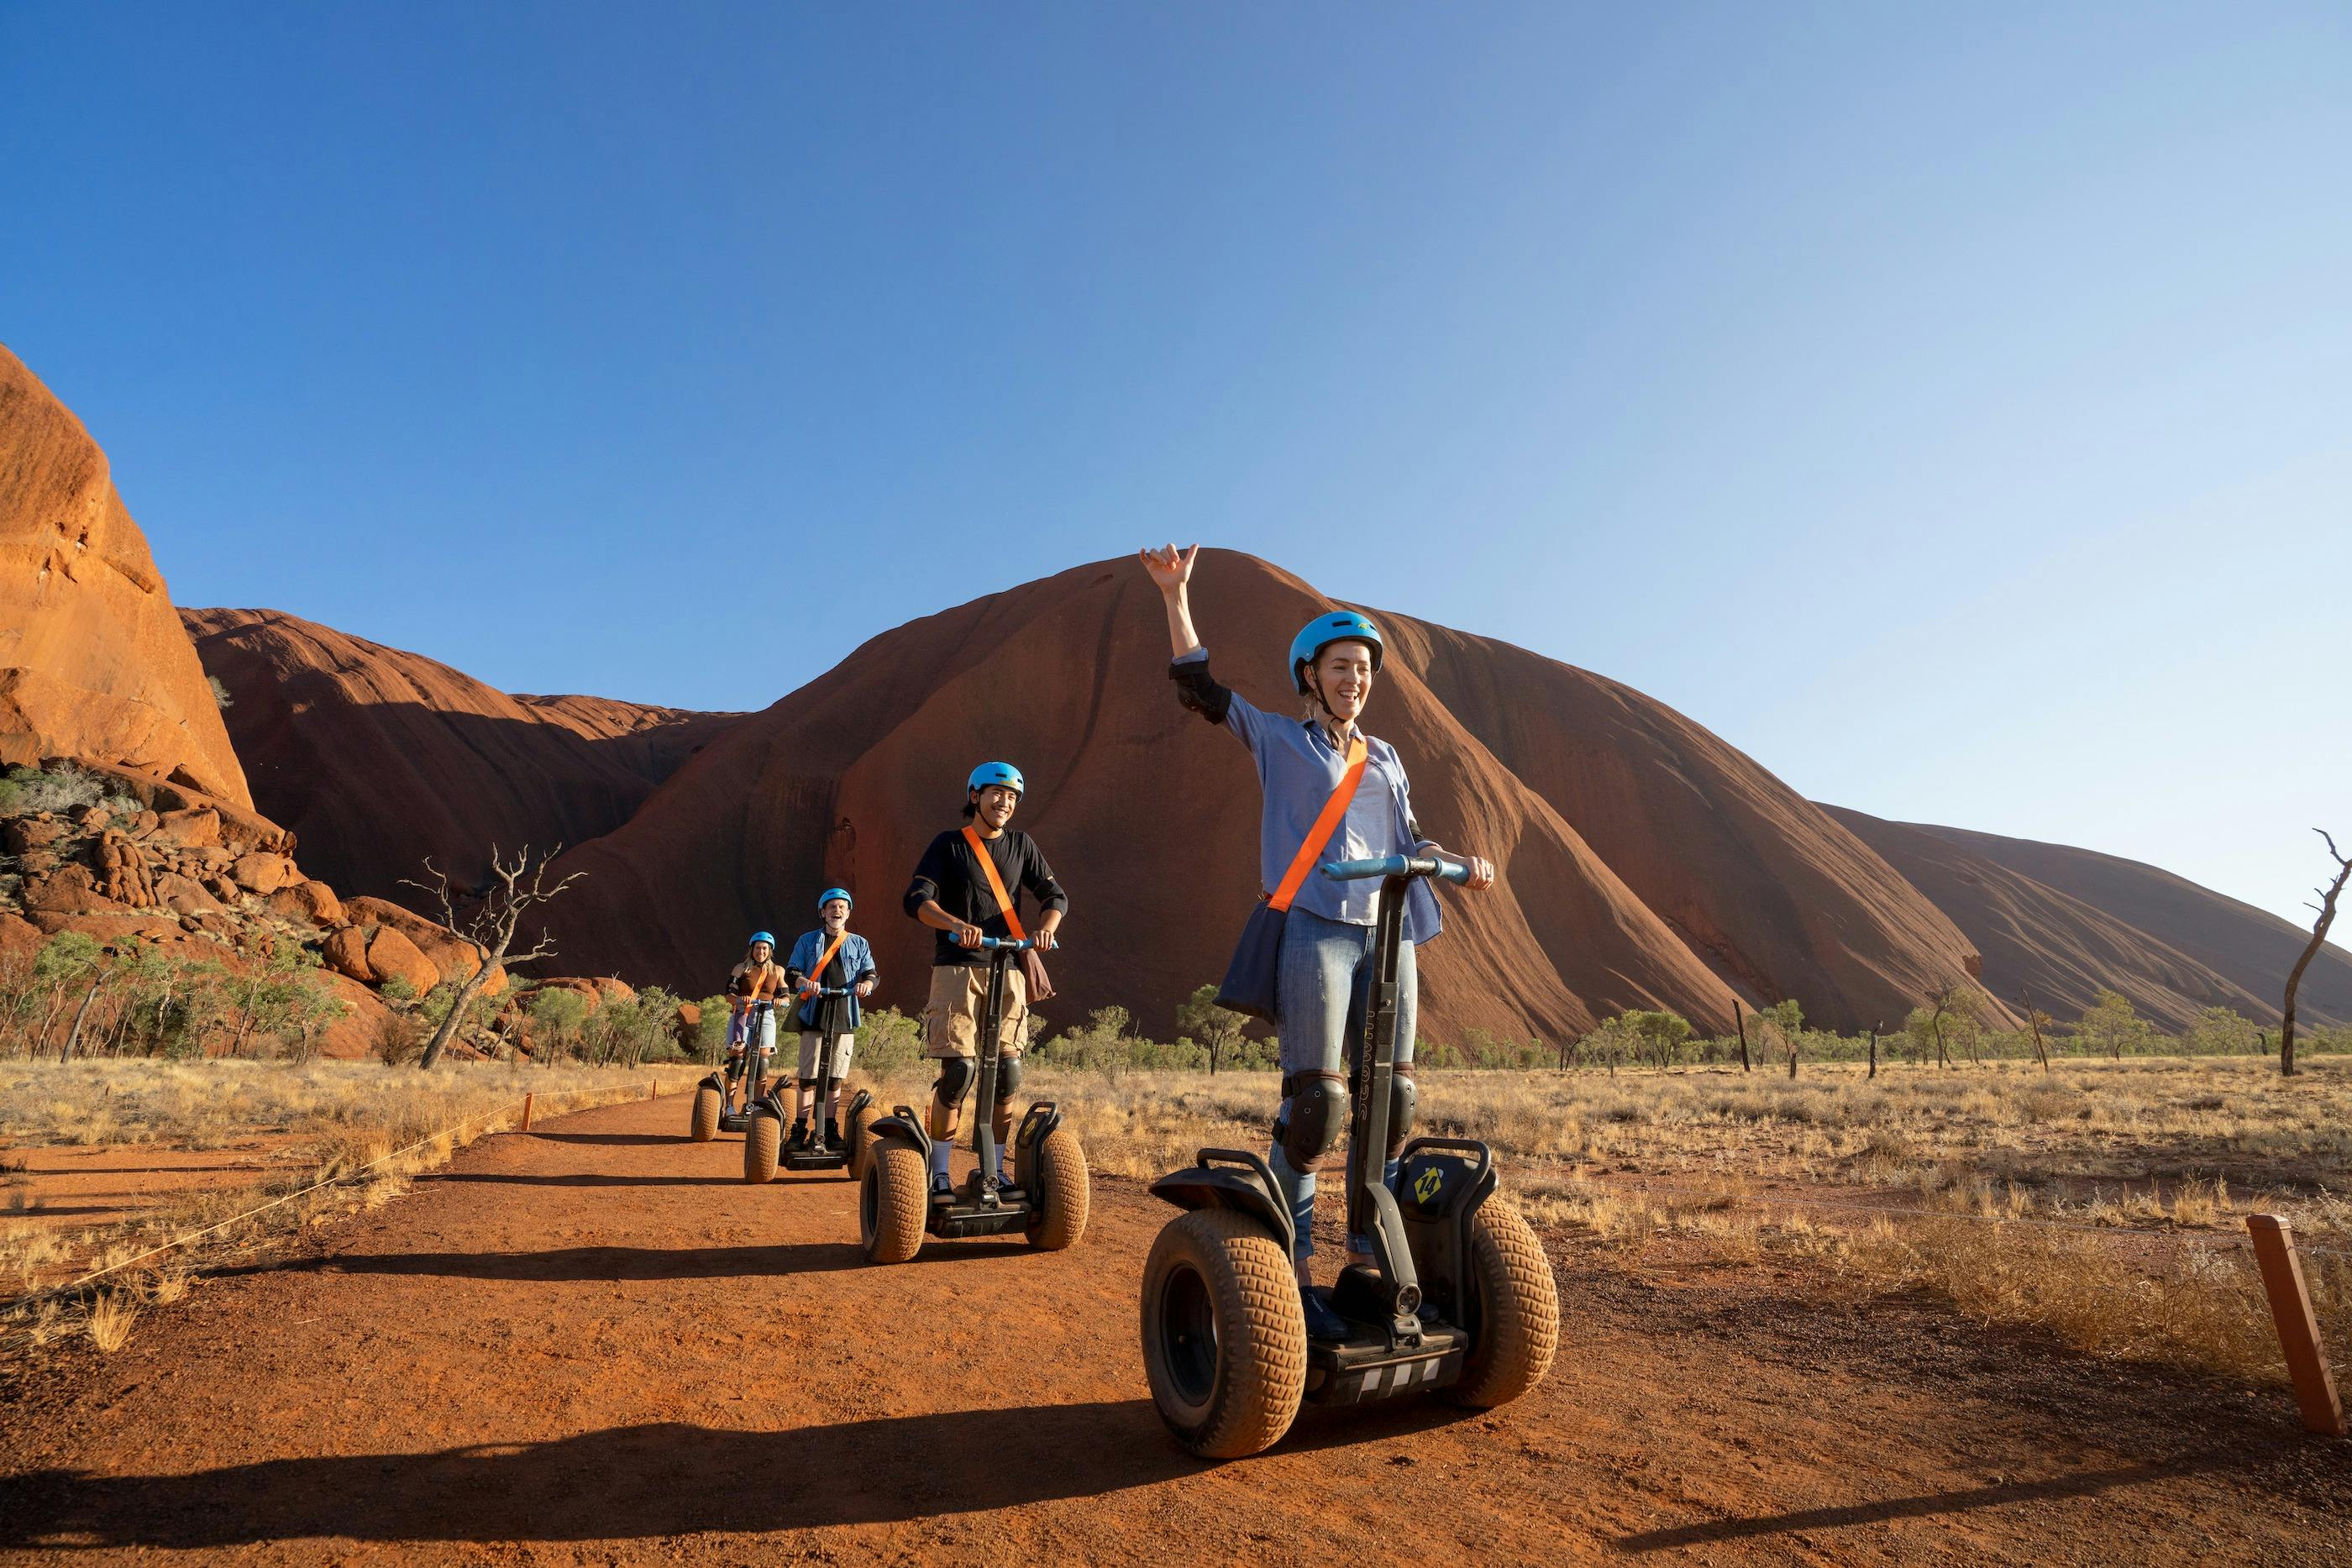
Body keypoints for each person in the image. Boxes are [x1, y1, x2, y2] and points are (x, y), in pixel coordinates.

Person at [1139, 543, 1495, 1340]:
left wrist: (1463, 865)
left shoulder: (1390, 758)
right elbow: (1201, 690)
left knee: (1392, 1104)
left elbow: (1407, 835)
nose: (1354, 678)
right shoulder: (1275, 737)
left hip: (1389, 930)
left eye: (1363, 667)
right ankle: (1291, 1272)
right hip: (1316, 928)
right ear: (1311, 674)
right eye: (1339, 665)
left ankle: (1374, 1260)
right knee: (1316, 1106)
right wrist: (1176, 594)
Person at [903, 762, 1068, 1196]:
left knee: (1008, 1072)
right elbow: (917, 899)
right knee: (960, 1071)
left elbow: (1054, 895)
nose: (1005, 803)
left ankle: (993, 1169)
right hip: (957, 967)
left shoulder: (1021, 845)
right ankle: (939, 1172)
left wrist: (1047, 927)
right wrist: (954, 924)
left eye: (1013, 797)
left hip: (1009, 968)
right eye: (997, 793)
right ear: (975, 796)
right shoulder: (949, 845)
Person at [782, 888, 877, 1149]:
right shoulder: (807, 940)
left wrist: (867, 984)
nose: (837, 911)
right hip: (815, 1011)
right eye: (832, 906)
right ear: (822, 912)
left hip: (844, 1014)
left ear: (848, 912)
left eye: (842, 907)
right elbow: (792, 972)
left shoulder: (859, 943)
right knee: (809, 1077)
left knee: (835, 1077)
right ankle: (800, 1129)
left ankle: (830, 1130)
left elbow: (871, 973)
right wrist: (804, 982)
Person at [725, 932, 788, 1102]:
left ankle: (757, 1104)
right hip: (743, 1013)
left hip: (766, 1013)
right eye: (758, 947)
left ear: (770, 950)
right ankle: (729, 1105)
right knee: (737, 1057)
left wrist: (779, 1001)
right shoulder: (741, 968)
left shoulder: (778, 971)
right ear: (752, 949)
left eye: (765, 948)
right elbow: (729, 995)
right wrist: (740, 999)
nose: (761, 951)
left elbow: (786, 997)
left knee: (763, 1059)